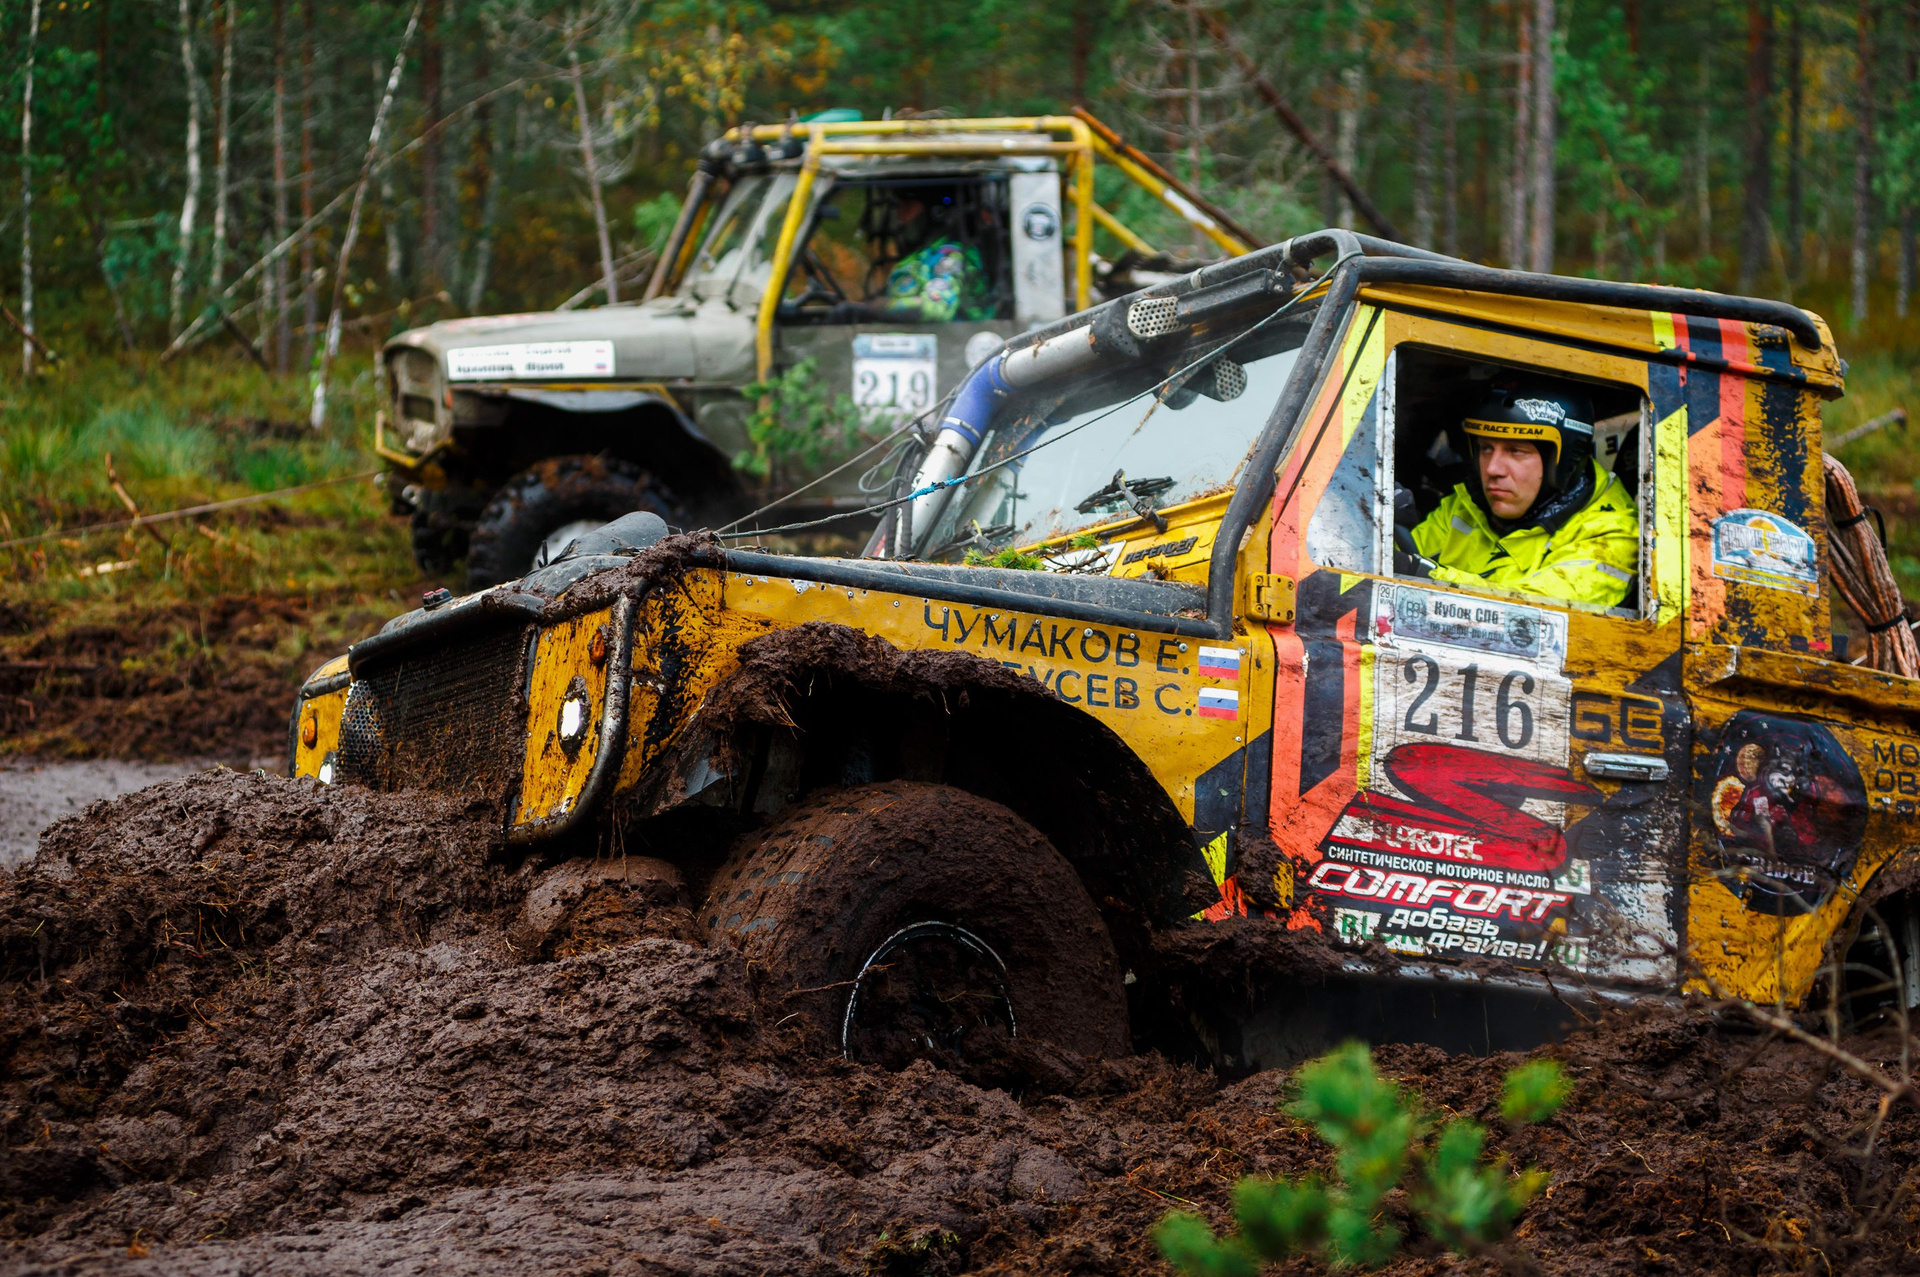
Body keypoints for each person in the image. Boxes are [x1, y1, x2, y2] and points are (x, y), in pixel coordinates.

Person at [1396, 385, 1639, 608]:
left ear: (1563, 461)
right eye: (1486, 448)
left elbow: (1536, 614)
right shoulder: (1467, 505)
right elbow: (1399, 560)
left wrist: (1424, 573)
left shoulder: (1612, 536)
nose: (1493, 469)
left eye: (1516, 451)